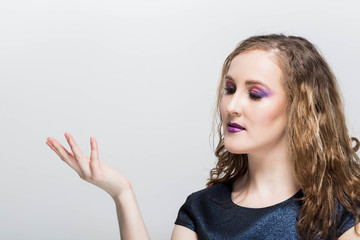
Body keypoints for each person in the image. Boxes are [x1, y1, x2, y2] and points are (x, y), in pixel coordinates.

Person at [46, 34, 360, 239]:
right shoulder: (201, 210)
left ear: (300, 109)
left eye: (255, 93)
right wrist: (122, 193)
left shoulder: (341, 214)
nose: (232, 106)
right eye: (230, 89)